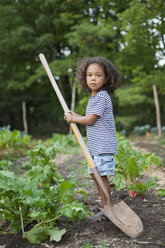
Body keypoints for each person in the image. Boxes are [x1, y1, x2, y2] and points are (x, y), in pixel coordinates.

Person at [64, 57, 120, 221]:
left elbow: (90, 120)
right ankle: (104, 204)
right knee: (95, 175)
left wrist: (74, 119)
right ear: (84, 78)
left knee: (101, 176)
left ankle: (108, 208)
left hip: (103, 146)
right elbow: (89, 117)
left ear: (106, 78)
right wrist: (75, 115)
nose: (93, 78)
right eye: (89, 75)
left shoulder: (102, 96)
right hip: (96, 147)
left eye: (98, 75)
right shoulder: (95, 97)